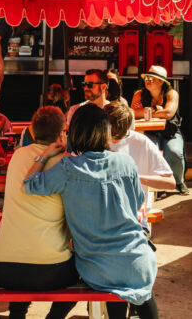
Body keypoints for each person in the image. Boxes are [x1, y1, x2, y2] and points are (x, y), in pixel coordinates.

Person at [24, 104, 159, 319]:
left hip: (97, 268)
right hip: (138, 262)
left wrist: (44, 156)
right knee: (139, 288)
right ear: (106, 131)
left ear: (74, 132)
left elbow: (30, 184)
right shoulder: (126, 163)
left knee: (109, 284)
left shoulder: (68, 168)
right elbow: (137, 203)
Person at [0, 106, 77, 319]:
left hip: (3, 269)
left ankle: (17, 314)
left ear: (33, 132)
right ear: (62, 132)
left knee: (25, 251)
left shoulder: (17, 157)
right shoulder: (66, 163)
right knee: (87, 270)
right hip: (48, 271)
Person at [131, 65, 189, 195]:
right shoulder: (139, 94)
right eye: (147, 78)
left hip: (170, 131)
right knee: (151, 151)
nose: (148, 81)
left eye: (152, 79)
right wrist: (157, 111)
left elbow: (168, 113)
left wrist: (148, 112)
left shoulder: (171, 93)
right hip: (150, 131)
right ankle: (159, 184)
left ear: (161, 81)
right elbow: (133, 113)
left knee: (174, 152)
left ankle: (179, 181)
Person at [108, 99, 175, 193]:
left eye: (121, 135)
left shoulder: (141, 142)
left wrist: (135, 177)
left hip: (134, 205)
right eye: (110, 135)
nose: (114, 140)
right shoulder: (94, 142)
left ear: (128, 127)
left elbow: (170, 183)